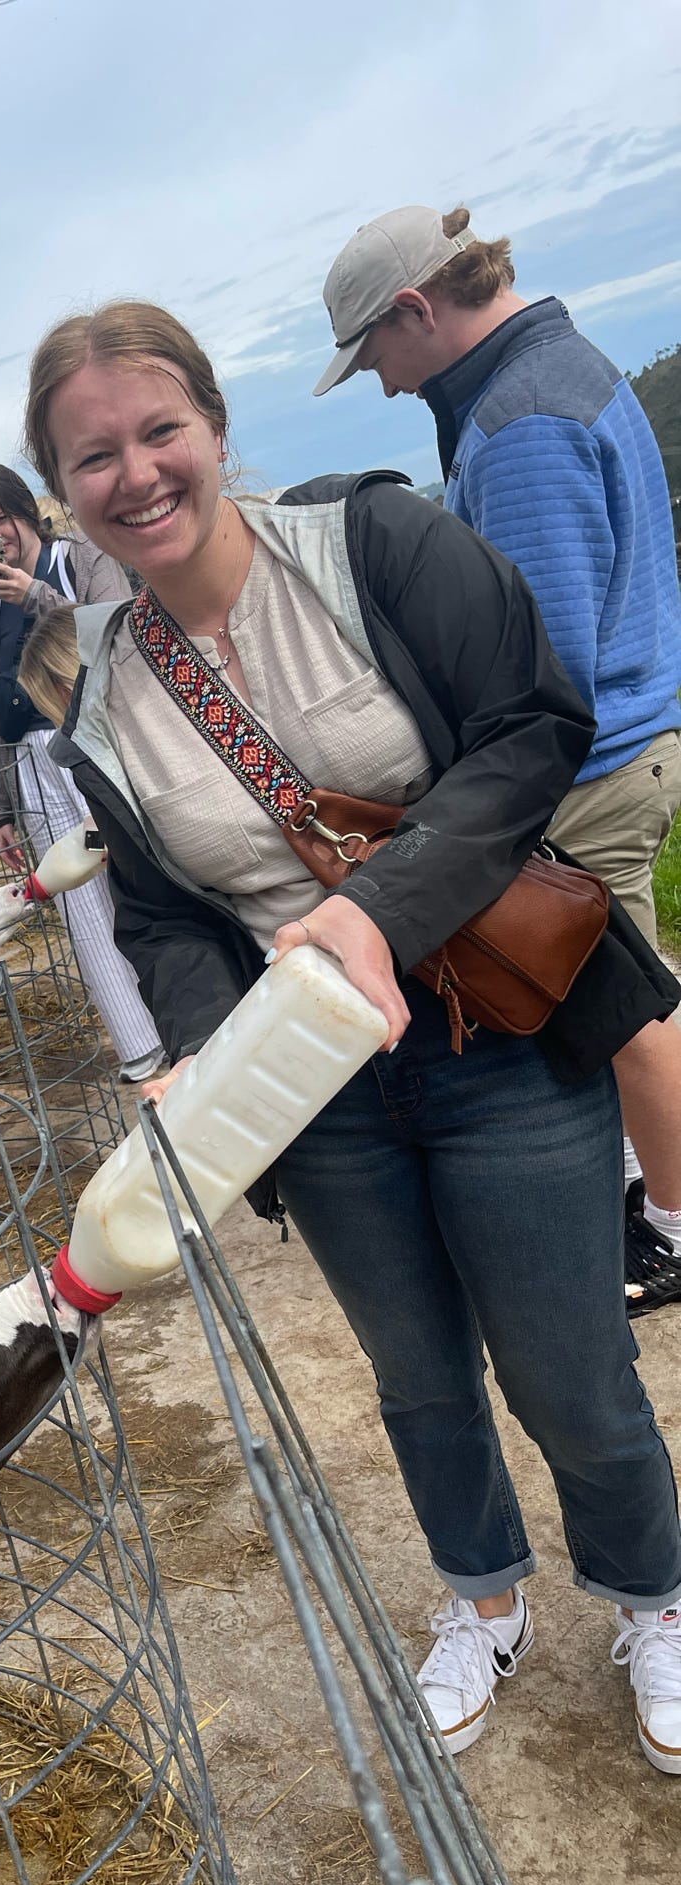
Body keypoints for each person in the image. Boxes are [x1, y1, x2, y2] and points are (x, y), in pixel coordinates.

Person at [24, 298, 681, 1769]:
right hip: (310, 1087)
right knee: (419, 1375)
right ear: (64, 491)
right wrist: (203, 1050)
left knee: (569, 1359)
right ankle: (483, 1599)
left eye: (158, 432)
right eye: (93, 456)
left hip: (496, 1030)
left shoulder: (370, 547)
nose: (134, 473)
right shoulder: (102, 710)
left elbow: (531, 724)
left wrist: (378, 910)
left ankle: (655, 1599)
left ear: (212, 427)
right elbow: (167, 918)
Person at [314, 205, 681, 1316]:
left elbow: (538, 662)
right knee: (619, 991)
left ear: (417, 309)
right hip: (628, 738)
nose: (380, 382)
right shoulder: (557, 373)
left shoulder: (521, 424)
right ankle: (647, 1187)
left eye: (374, 351)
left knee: (629, 1007)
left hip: (594, 765)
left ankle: (673, 1224)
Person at [0, 465, 164, 1081]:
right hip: (36, 761)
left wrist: (35, 597)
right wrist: (1, 810)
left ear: (28, 514)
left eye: (2, 519)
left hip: (101, 738)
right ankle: (142, 1048)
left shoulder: (81, 558)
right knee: (85, 908)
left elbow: (117, 633)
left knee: (150, 877)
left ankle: (194, 1020)